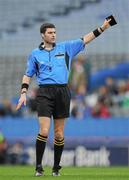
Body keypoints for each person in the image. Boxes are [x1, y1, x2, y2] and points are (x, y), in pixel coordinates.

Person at [16, 19, 113, 176]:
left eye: (55, 32)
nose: (53, 35)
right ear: (42, 35)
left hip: (62, 92)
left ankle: (56, 168)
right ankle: (39, 167)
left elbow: (86, 38)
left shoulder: (66, 47)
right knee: (44, 130)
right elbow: (28, 75)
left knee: (59, 134)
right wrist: (23, 93)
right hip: (44, 92)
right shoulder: (35, 54)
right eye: (50, 33)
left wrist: (103, 28)